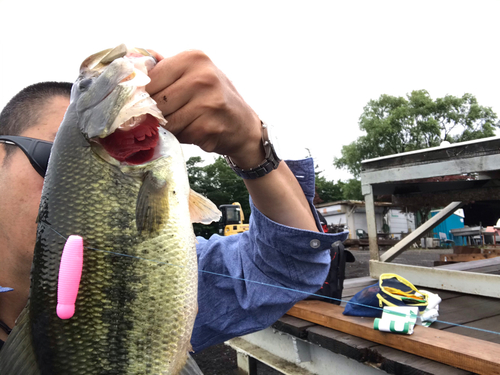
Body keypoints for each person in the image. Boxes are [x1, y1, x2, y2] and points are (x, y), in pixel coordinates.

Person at [0, 49, 348, 353]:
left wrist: (250, 147)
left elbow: (286, 266)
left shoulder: (161, 269)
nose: (69, 182)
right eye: (54, 159)